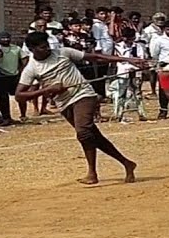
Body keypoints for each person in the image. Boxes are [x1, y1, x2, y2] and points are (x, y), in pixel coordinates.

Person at [14, 31, 140, 185]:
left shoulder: (63, 53)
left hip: (84, 95)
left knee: (83, 132)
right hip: (64, 104)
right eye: (42, 47)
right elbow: (19, 95)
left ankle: (92, 173)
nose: (47, 49)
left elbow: (95, 57)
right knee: (93, 136)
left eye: (47, 45)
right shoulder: (31, 69)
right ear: (32, 49)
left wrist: (126, 59)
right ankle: (126, 163)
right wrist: (47, 90)